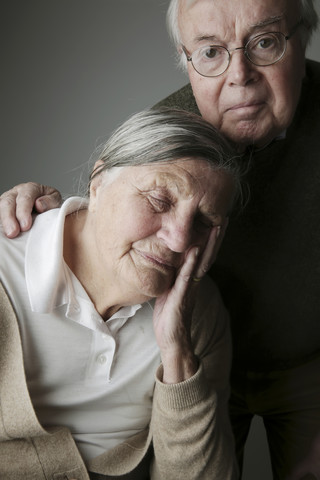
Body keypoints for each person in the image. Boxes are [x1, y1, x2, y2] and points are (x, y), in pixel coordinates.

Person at [1, 0, 320, 478]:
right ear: (186, 57)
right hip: (202, 354)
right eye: (211, 51)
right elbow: (114, 209)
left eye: (265, 42)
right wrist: (38, 214)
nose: (239, 75)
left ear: (302, 38)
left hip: (307, 364)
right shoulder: (159, 129)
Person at [0, 108, 241, 480]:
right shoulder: (5, 270)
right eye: (160, 201)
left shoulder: (201, 314)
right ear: (98, 183)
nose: (178, 239)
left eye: (203, 222)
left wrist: (177, 354)